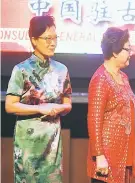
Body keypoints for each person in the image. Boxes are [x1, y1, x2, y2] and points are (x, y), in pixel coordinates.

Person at [5, 15, 72, 182]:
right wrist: (40, 108)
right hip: (29, 142)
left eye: (55, 38)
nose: (53, 43)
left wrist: (59, 108)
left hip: (52, 143)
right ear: (34, 40)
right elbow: (10, 106)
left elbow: (67, 104)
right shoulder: (21, 70)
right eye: (47, 38)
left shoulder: (61, 70)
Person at [87, 27, 135, 183]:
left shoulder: (123, 77)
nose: (131, 53)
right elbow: (94, 119)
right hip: (107, 155)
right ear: (115, 52)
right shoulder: (100, 79)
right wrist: (99, 156)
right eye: (128, 49)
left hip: (123, 151)